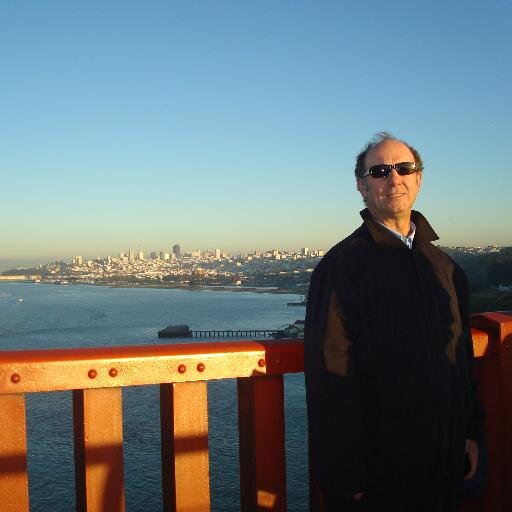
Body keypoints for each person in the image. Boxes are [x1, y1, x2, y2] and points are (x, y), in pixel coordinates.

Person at [304, 133, 484, 512]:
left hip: (444, 459)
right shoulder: (341, 268)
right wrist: (342, 472)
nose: (394, 178)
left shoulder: (447, 269)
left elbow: (462, 359)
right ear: (362, 185)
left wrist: (470, 432)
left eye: (404, 169)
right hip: (382, 470)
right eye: (380, 171)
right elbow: (329, 373)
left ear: (419, 179)